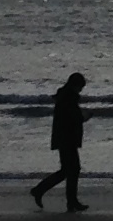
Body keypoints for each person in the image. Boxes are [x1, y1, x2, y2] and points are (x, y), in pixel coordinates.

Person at [29, 71, 89, 211]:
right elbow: (72, 118)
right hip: (67, 138)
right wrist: (84, 117)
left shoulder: (64, 96)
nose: (81, 90)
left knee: (68, 170)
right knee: (72, 169)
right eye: (80, 87)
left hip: (63, 138)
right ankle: (67, 200)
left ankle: (45, 192)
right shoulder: (69, 98)